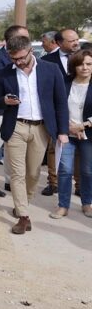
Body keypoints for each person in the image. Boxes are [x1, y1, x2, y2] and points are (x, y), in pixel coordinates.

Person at [0, 34, 68, 235]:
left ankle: (23, 202)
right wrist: (4, 101)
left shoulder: (51, 70)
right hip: (15, 127)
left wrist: (63, 131)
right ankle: (23, 216)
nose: (18, 62)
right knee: (17, 174)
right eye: (13, 58)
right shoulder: (4, 73)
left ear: (31, 51)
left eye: (21, 58)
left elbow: (60, 102)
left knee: (33, 173)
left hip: (41, 128)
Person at [0, 25, 29, 197]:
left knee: (12, 148)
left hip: (18, 112)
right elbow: (3, 78)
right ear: (12, 39)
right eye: (23, 37)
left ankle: (10, 180)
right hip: (0, 109)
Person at [39, 28, 81, 195]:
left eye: (76, 39)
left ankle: (80, 185)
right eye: (71, 41)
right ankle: (53, 183)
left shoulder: (86, 58)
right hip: (56, 110)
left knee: (80, 148)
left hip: (81, 109)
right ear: (59, 43)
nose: (76, 43)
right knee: (54, 147)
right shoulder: (46, 61)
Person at [54, 49, 92, 218]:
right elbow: (56, 105)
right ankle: (63, 206)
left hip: (88, 134)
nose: (85, 67)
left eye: (89, 64)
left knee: (88, 171)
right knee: (65, 170)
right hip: (66, 132)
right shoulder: (64, 82)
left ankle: (87, 203)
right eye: (80, 64)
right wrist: (68, 126)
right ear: (73, 66)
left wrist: (82, 125)